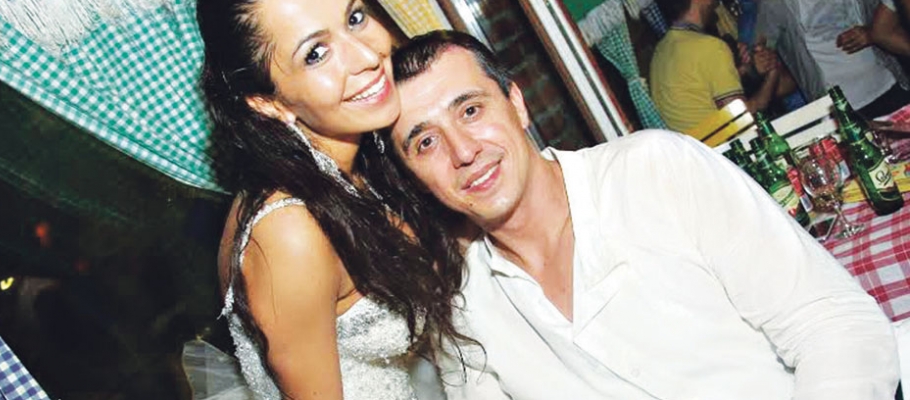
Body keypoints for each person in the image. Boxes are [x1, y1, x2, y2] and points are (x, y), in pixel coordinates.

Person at [385, 30, 900, 399]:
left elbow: (835, 327)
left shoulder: (654, 171)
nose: (463, 151)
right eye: (425, 142)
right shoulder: (461, 310)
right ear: (414, 177)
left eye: (471, 110)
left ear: (516, 104)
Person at [193, 1, 467, 399]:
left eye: (355, 18)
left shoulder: (357, 157)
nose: (367, 55)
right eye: (316, 53)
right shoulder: (288, 233)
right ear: (269, 102)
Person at [757, 0, 910, 118]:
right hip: (839, 107)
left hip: (889, 82)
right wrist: (762, 60)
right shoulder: (775, 4)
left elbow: (889, 16)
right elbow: (763, 45)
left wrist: (870, 33)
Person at [651, 0, 781, 134]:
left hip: (693, 144)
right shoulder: (710, 47)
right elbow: (742, 119)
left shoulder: (661, 50)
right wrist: (773, 72)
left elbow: (695, 91)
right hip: (722, 144)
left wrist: (744, 70)